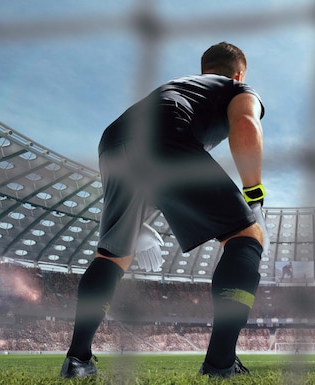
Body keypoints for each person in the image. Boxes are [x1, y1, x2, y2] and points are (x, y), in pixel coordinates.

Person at [60, 42, 267, 379]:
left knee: (113, 255)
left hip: (113, 141)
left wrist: (136, 219)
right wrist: (254, 191)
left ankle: (77, 360)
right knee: (246, 235)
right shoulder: (236, 87)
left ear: (205, 68)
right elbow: (245, 123)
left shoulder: (180, 86)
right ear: (239, 72)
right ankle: (220, 364)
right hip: (164, 136)